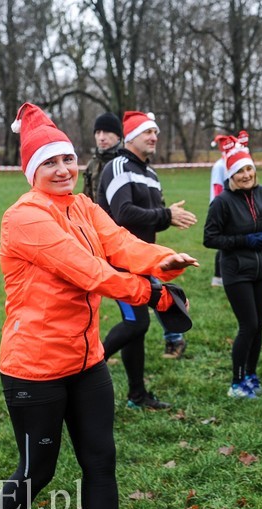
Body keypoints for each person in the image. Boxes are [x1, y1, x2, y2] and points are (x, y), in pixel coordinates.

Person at [0, 102, 197, 509]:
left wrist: (162, 260)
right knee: (37, 470)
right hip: (35, 369)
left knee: (101, 462)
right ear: (32, 170)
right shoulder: (23, 217)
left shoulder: (83, 205)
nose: (62, 169)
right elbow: (87, 270)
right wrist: (152, 293)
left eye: (67, 158)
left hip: (87, 361)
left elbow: (119, 243)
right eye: (49, 162)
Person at [97, 110, 198, 409]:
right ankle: (85, 368)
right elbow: (124, 213)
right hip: (118, 261)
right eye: (147, 132)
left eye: (155, 132)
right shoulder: (117, 166)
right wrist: (166, 215)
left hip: (143, 261)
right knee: (136, 323)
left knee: (137, 327)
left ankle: (137, 396)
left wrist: (168, 217)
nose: (154, 137)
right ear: (130, 137)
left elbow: (151, 220)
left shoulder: (151, 174)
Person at [204, 135, 262, 398]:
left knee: (258, 326)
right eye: (239, 171)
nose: (246, 175)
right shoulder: (222, 202)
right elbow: (210, 238)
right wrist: (243, 240)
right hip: (237, 270)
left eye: (249, 169)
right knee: (248, 325)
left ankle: (251, 374)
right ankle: (236, 383)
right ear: (231, 175)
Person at [82, 112, 123, 202]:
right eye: (98, 132)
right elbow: (86, 199)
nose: (101, 138)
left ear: (118, 136)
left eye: (106, 132)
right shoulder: (92, 164)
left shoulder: (127, 162)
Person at [209, 134, 228, 287]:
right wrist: (220, 208)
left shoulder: (227, 164)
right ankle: (218, 277)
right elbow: (217, 188)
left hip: (226, 207)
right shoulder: (220, 166)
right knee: (223, 243)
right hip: (221, 208)